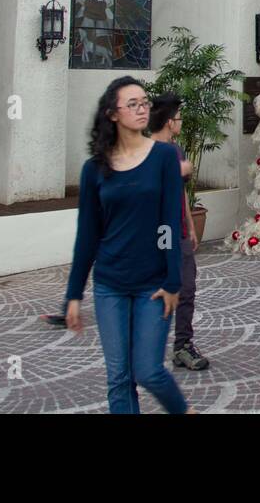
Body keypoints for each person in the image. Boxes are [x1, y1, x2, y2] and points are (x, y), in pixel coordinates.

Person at [65, 77, 192, 414]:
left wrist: (172, 281)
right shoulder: (94, 169)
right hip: (110, 285)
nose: (142, 109)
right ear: (112, 113)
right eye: (132, 103)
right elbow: (87, 235)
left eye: (144, 102)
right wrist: (74, 294)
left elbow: (168, 223)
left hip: (153, 285)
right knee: (119, 377)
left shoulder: (164, 156)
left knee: (148, 370)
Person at [148, 93, 210, 372]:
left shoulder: (178, 151)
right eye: (180, 119)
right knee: (155, 290)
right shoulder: (144, 152)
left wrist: (189, 224)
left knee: (187, 288)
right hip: (155, 233)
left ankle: (182, 345)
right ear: (170, 122)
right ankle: (146, 348)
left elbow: (181, 192)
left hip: (180, 232)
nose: (181, 123)